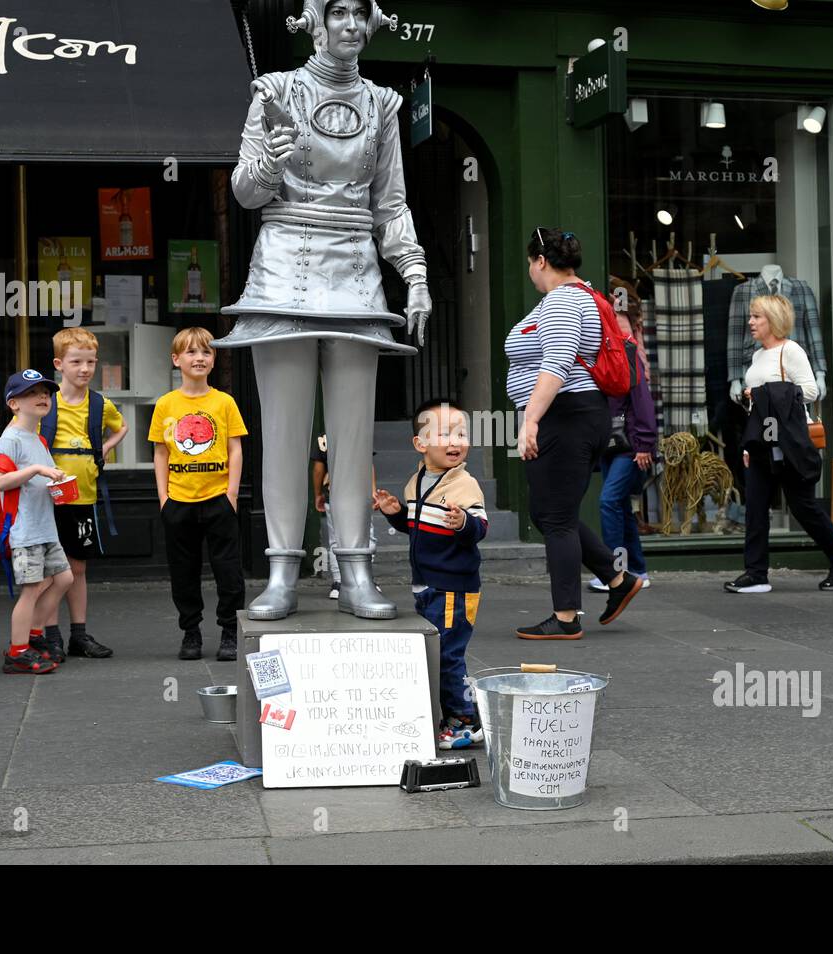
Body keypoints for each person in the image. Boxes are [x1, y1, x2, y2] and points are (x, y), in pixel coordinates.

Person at [215, 0, 431, 622]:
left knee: (353, 433)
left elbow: (391, 204)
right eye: (340, 12)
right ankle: (282, 571)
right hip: (285, 263)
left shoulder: (384, 105)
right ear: (315, 20)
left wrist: (413, 273)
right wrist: (271, 159)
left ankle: (356, 568)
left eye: (363, 16)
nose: (353, 27)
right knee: (283, 431)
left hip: (358, 272)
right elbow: (247, 193)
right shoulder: (274, 91)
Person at [506, 227, 643, 639]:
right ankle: (618, 580)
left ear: (541, 261)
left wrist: (530, 418)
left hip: (566, 416)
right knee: (547, 512)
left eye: (531, 263)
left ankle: (565, 617)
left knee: (559, 518)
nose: (530, 271)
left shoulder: (564, 300)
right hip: (572, 414)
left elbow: (559, 360)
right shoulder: (575, 296)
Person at [374, 399, 488, 749]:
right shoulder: (418, 481)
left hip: (454, 585)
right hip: (427, 584)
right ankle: (454, 713)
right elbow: (419, 526)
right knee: (436, 651)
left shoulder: (464, 484)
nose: (455, 442)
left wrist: (464, 523)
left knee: (447, 655)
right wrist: (396, 514)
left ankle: (465, 721)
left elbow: (481, 525)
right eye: (443, 434)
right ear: (420, 444)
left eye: (461, 434)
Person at [727, 294, 833, 594]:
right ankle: (756, 573)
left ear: (772, 320)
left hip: (787, 443)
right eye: (751, 316)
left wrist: (762, 393)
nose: (750, 322)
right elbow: (758, 410)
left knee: (803, 507)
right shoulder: (759, 355)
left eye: (757, 316)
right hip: (763, 442)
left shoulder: (792, 351)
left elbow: (811, 391)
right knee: (756, 508)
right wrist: (749, 444)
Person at [150, 328, 248, 661]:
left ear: (214, 359)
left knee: (228, 571)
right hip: (179, 500)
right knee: (183, 571)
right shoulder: (166, 404)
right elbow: (161, 453)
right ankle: (190, 632)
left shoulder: (224, 402)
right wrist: (164, 498)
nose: (199, 358)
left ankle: (230, 631)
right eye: (191, 352)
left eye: (206, 352)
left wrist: (231, 494)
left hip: (218, 498)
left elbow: (235, 449)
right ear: (177, 360)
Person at [36, 328, 128, 660]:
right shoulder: (47, 402)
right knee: (50, 569)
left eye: (90, 362)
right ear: (60, 364)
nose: (85, 369)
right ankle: (51, 635)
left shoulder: (100, 404)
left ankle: (79, 634)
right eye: (77, 362)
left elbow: (122, 427)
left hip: (84, 497)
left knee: (77, 569)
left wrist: (101, 449)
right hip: (49, 499)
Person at [0, 370, 74, 675]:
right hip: (25, 529)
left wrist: (58, 484)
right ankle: (18, 651)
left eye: (46, 393)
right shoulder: (10, 439)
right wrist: (38, 469)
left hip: (45, 526)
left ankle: (35, 635)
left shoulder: (37, 438)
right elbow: (1, 482)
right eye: (32, 393)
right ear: (14, 403)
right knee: (31, 589)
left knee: (63, 579)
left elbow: (40, 480)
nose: (43, 397)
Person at [588, 283, 656, 593]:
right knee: (621, 507)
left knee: (608, 502)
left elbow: (640, 396)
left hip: (628, 441)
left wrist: (644, 443)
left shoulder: (625, 346)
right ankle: (638, 570)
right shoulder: (605, 343)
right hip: (611, 439)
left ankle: (615, 574)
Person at [311, 433, 377, 600]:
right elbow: (368, 465)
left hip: (334, 492)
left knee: (336, 538)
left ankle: (339, 582)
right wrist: (373, 491)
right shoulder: (359, 431)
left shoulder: (324, 437)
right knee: (366, 535)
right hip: (359, 491)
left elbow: (319, 469)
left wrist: (318, 494)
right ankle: (366, 579)